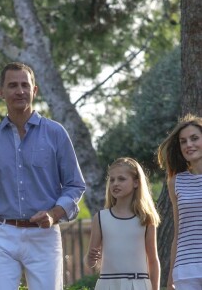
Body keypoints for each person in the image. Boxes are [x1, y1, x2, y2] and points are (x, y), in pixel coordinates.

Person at [0, 62, 86, 290]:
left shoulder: (56, 134)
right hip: (0, 234)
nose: (19, 91)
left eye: (24, 85)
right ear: (1, 92)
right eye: (12, 85)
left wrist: (54, 213)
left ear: (34, 90)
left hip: (44, 235)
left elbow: (74, 185)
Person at [85, 157, 160, 290]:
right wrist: (91, 259)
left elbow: (153, 261)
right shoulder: (101, 218)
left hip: (138, 284)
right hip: (107, 284)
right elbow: (90, 262)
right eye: (112, 179)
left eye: (121, 179)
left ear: (136, 183)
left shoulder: (146, 218)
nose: (115, 183)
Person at [158, 114, 202, 290]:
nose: (189, 145)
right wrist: (170, 279)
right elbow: (179, 233)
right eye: (183, 141)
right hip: (185, 270)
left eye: (194, 138)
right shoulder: (176, 182)